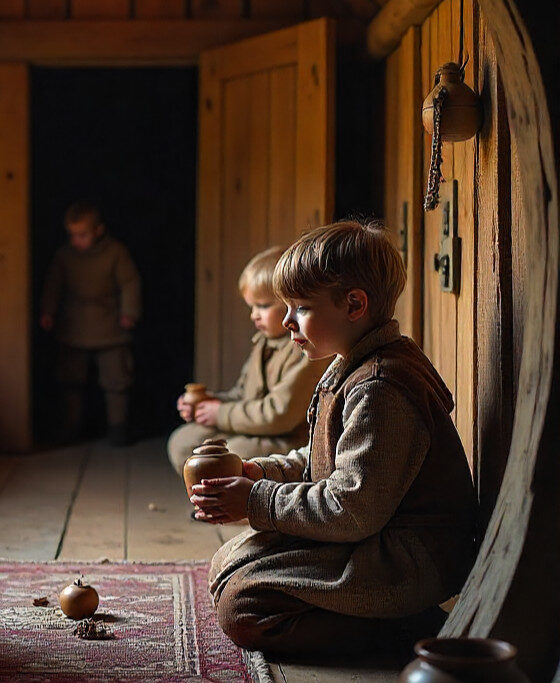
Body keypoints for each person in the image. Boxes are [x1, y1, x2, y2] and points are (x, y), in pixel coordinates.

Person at [192, 221, 476, 657]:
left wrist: (256, 501)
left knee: (243, 607)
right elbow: (323, 458)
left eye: (300, 308)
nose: (286, 321)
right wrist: (258, 472)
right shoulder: (351, 363)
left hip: (408, 558)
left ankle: (413, 630)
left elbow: (350, 508)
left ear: (354, 305)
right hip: (369, 533)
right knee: (230, 563)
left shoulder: (381, 386)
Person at [167, 246, 329, 475]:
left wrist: (220, 413)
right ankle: (210, 500)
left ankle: (240, 507)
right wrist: (208, 403)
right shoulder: (263, 342)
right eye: (251, 306)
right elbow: (243, 394)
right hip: (256, 430)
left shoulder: (305, 349)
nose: (254, 315)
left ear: (292, 303)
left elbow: (279, 416)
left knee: (231, 454)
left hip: (289, 439)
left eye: (263, 306)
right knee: (183, 441)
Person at [40, 201, 141, 445]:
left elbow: (130, 282)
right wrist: (48, 311)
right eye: (72, 235)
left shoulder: (115, 252)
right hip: (74, 325)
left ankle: (118, 429)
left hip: (109, 325)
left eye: (82, 235)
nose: (77, 241)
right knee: (70, 380)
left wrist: (130, 312)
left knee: (116, 380)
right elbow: (54, 284)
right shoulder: (65, 256)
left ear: (98, 231)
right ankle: (71, 427)